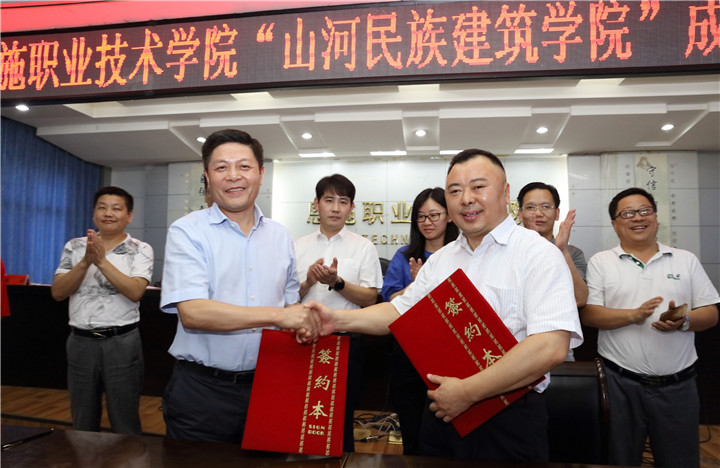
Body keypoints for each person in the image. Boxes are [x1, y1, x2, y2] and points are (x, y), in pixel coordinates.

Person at [307, 149, 583, 462]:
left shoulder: (538, 253)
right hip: (442, 409)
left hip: (508, 415)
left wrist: (468, 392)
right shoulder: (442, 260)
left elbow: (550, 346)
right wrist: (335, 319)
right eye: (455, 190)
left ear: (506, 193)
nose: (466, 198)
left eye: (478, 187)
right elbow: (399, 312)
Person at [160, 129, 319, 444]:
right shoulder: (187, 231)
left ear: (261, 173)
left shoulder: (280, 235)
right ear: (208, 177)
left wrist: (304, 323)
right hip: (203, 394)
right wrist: (279, 316)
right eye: (221, 167)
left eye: (244, 166)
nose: (233, 176)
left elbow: (289, 305)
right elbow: (193, 313)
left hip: (270, 385)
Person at [581, 187, 719, 468]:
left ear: (656, 217)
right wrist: (633, 315)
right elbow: (590, 315)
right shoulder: (601, 262)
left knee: (679, 462)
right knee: (619, 460)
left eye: (645, 211)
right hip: (619, 385)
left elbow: (711, 313)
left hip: (678, 386)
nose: (638, 218)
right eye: (628, 213)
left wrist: (684, 322)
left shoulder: (685, 259)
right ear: (615, 223)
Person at [50, 186, 153, 434]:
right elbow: (58, 292)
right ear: (94, 213)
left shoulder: (141, 248)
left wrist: (101, 261)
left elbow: (135, 291)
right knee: (82, 418)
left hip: (121, 341)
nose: (108, 213)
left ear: (129, 215)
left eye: (116, 208)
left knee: (124, 418)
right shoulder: (75, 246)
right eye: (102, 207)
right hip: (80, 341)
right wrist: (85, 261)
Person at [294, 173, 383, 452]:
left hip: (344, 343)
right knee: (297, 413)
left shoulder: (364, 247)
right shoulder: (297, 246)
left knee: (339, 416)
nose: (335, 208)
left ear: (352, 208)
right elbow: (285, 298)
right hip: (301, 340)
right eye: (329, 200)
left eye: (343, 202)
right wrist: (309, 281)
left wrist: (337, 282)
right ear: (316, 204)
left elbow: (370, 298)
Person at [380, 187, 458, 455]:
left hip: (451, 350)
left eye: (434, 215)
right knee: (412, 425)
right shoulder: (404, 256)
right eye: (421, 217)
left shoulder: (461, 254)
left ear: (449, 216)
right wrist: (417, 285)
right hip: (410, 349)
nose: (428, 222)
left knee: (448, 431)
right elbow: (390, 300)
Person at [517, 182, 588, 361]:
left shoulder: (573, 253)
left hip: (558, 351)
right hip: (515, 349)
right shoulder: (507, 252)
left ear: (556, 213)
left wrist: (561, 251)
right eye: (530, 207)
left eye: (545, 207)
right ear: (520, 213)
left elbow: (580, 298)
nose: (538, 213)